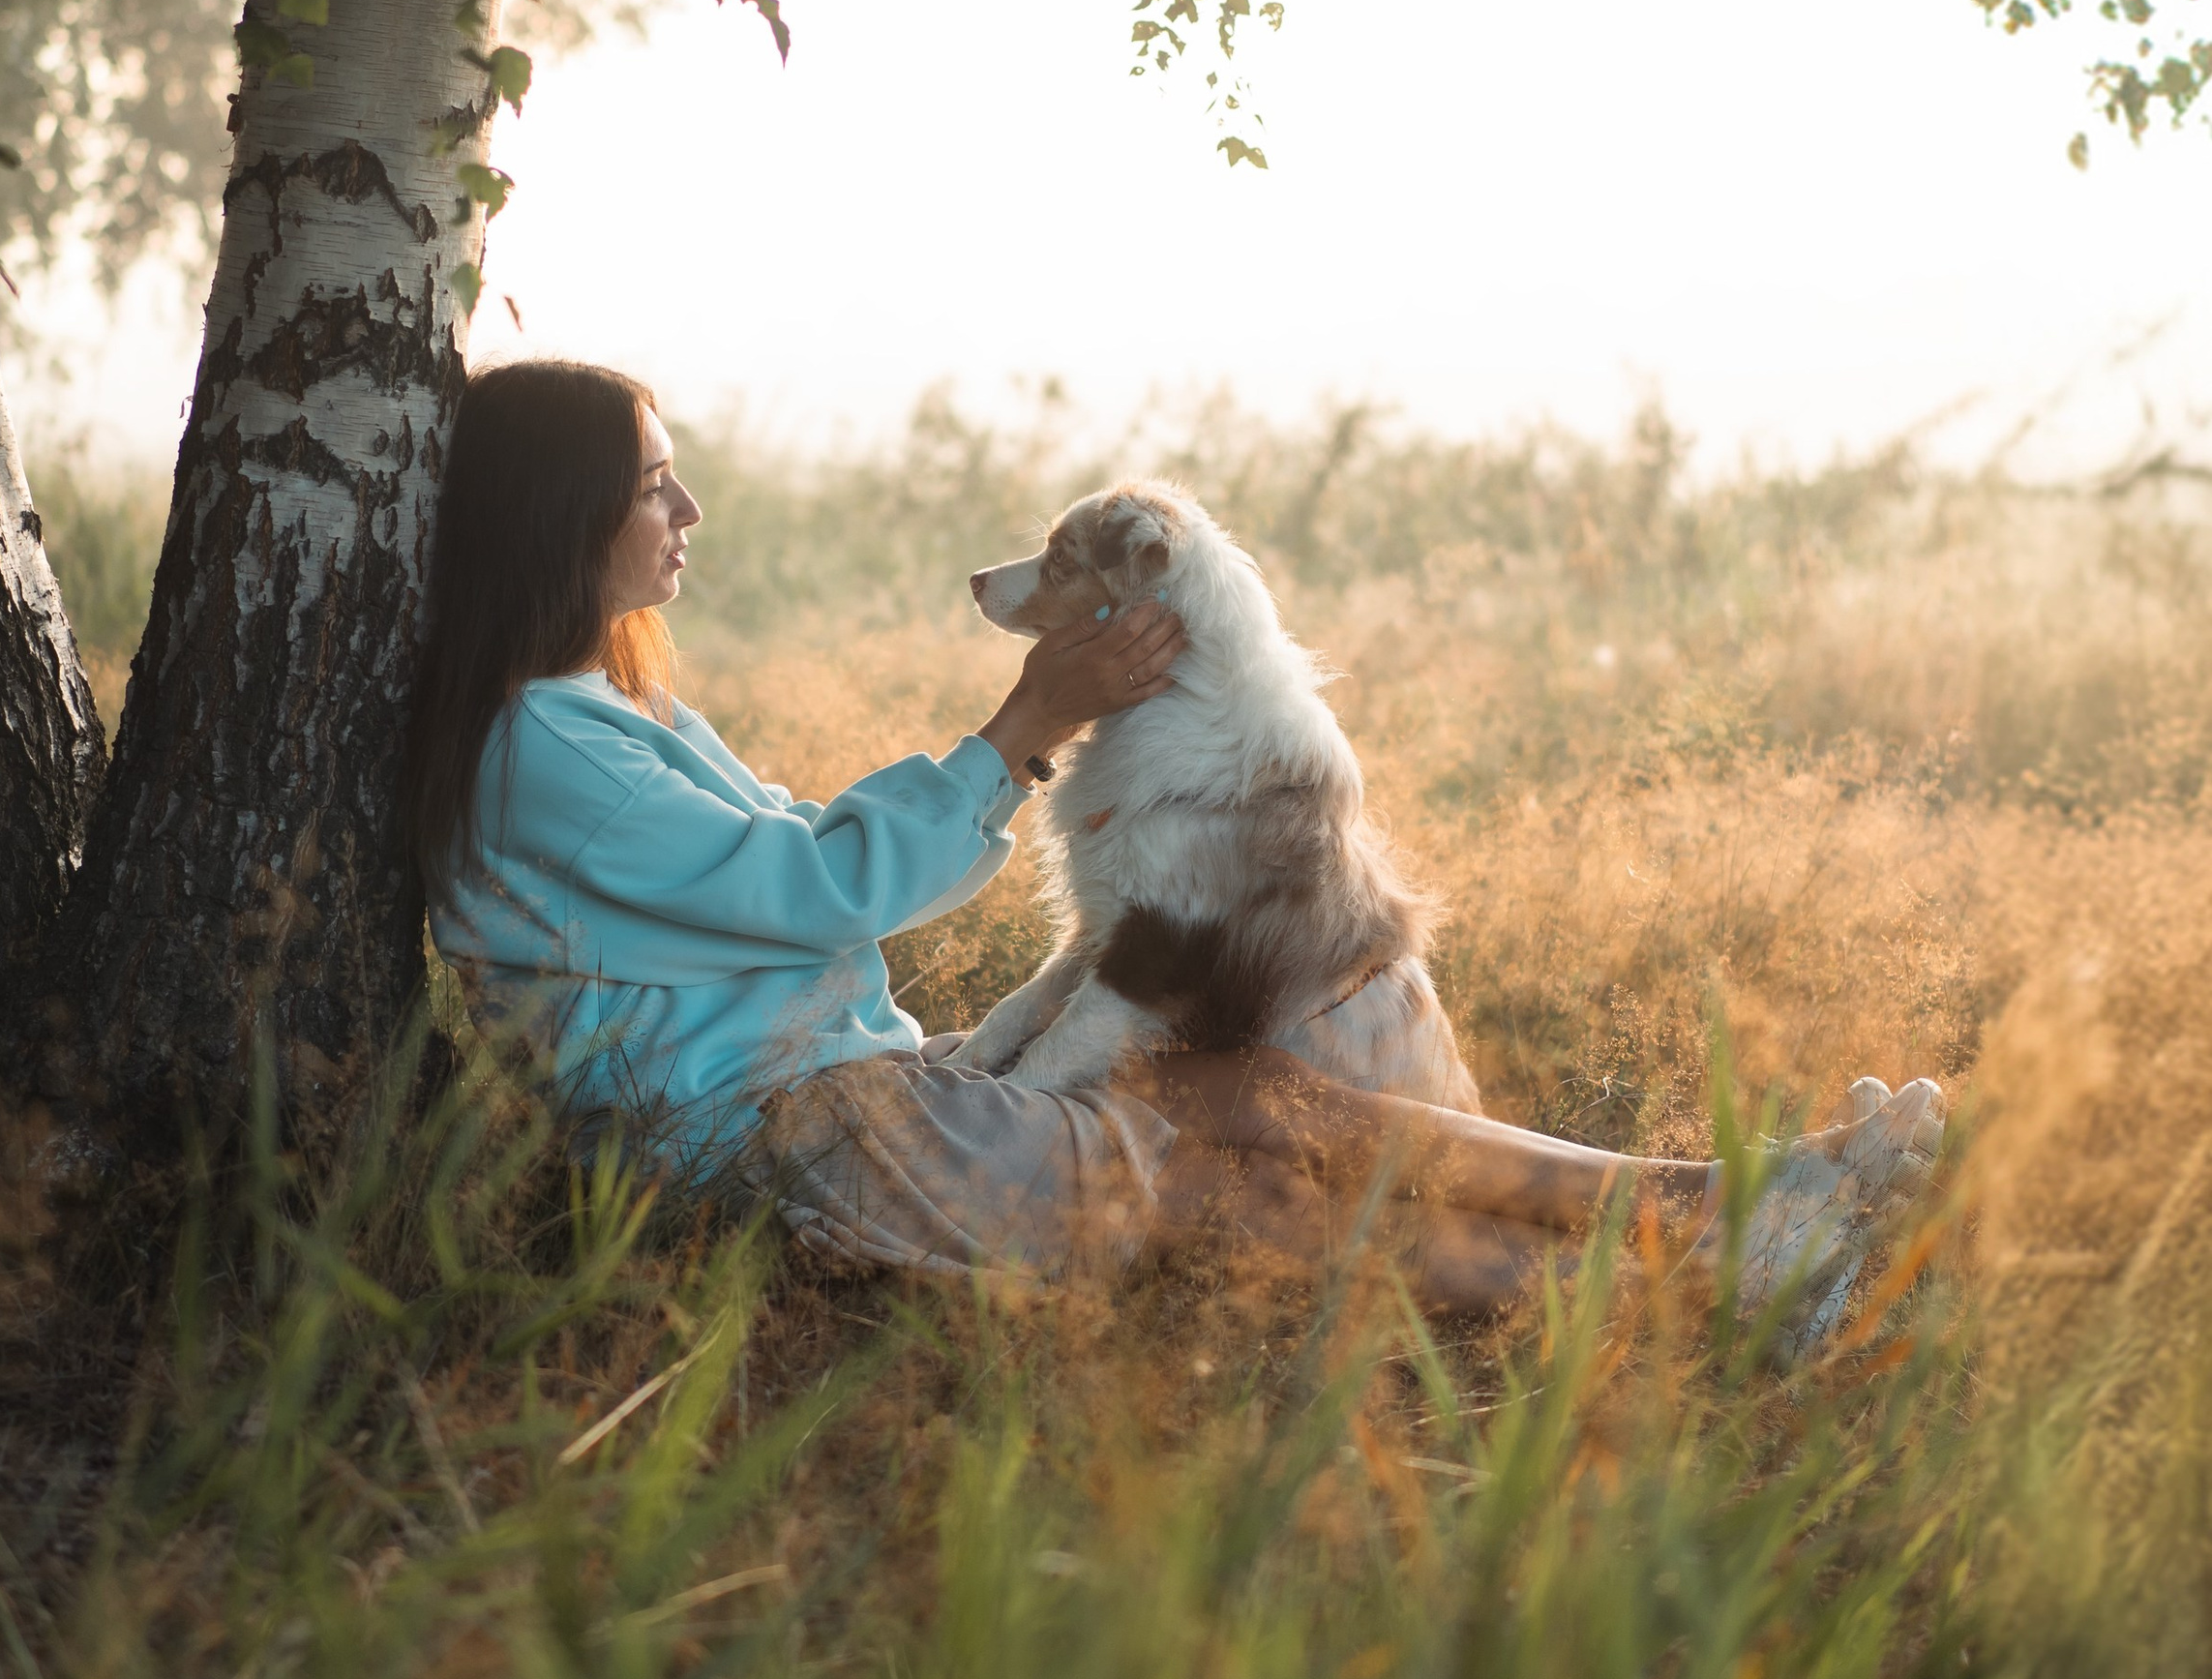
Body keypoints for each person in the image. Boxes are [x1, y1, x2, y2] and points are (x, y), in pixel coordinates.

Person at [409, 359, 1941, 1312]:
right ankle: (1721, 1262)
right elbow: (821, 888)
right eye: (654, 482)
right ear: (562, 517)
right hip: (793, 1148)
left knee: (1247, 1093)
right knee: (1243, 1178)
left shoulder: (589, 718)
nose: (688, 507)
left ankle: (1735, 1208)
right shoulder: (543, 749)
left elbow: (778, 883)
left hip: (839, 1103)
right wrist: (1020, 728)